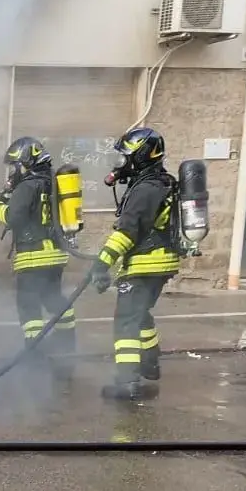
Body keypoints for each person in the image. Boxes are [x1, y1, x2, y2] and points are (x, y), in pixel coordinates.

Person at [89, 127, 181, 402]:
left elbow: (127, 231)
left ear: (141, 157)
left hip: (145, 263)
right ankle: (150, 364)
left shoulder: (145, 189)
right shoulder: (160, 183)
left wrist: (101, 263)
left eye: (126, 157)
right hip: (160, 262)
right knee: (141, 314)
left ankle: (127, 382)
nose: (121, 163)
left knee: (126, 320)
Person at [0, 136, 77, 379]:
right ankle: (67, 343)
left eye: (14, 166)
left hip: (34, 256)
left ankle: (34, 355)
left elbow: (15, 217)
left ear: (26, 163)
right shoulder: (51, 182)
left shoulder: (27, 186)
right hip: (55, 255)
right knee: (52, 297)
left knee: (28, 306)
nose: (12, 171)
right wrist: (2, 197)